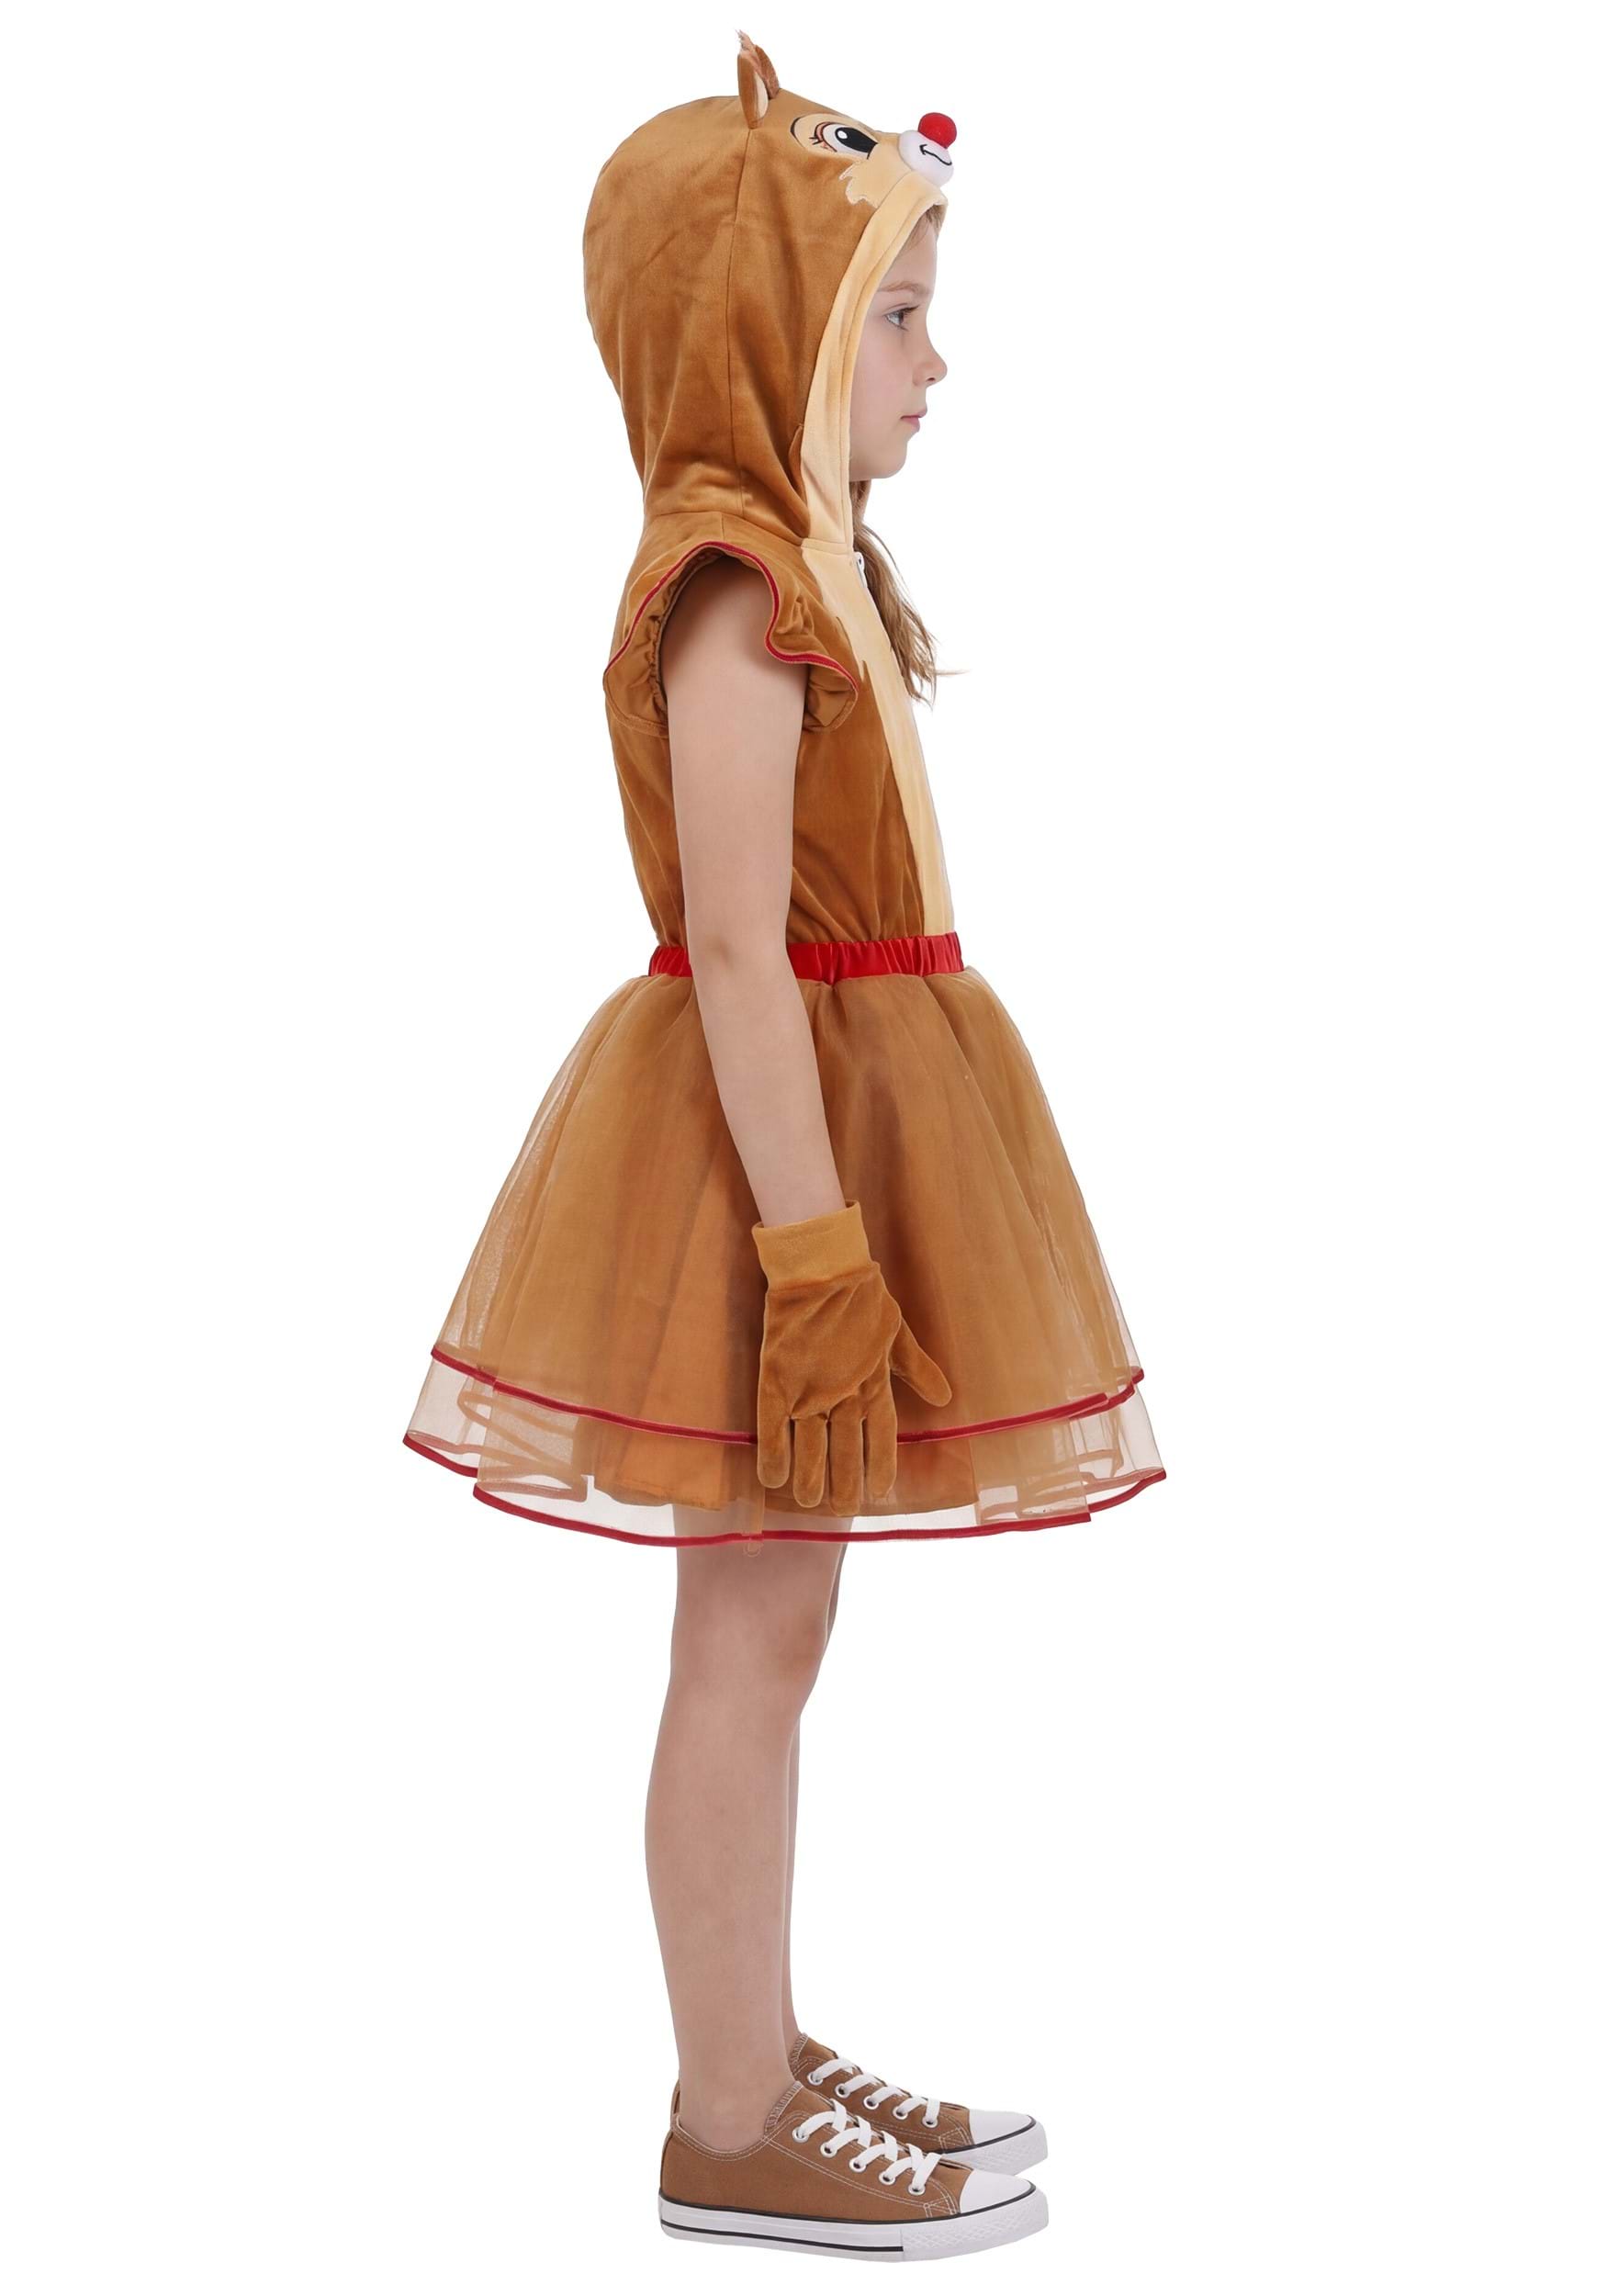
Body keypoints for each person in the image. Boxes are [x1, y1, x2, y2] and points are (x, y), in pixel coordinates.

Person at [401, 30, 1166, 2262]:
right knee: (742, 1638)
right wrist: (815, 1251)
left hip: (826, 1132)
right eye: (897, 315)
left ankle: (753, 2048)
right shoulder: (732, 578)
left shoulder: (806, 561)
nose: (937, 365)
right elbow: (739, 945)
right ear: (770, 334)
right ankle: (727, 2117)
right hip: (762, 1169)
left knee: (780, 1621)